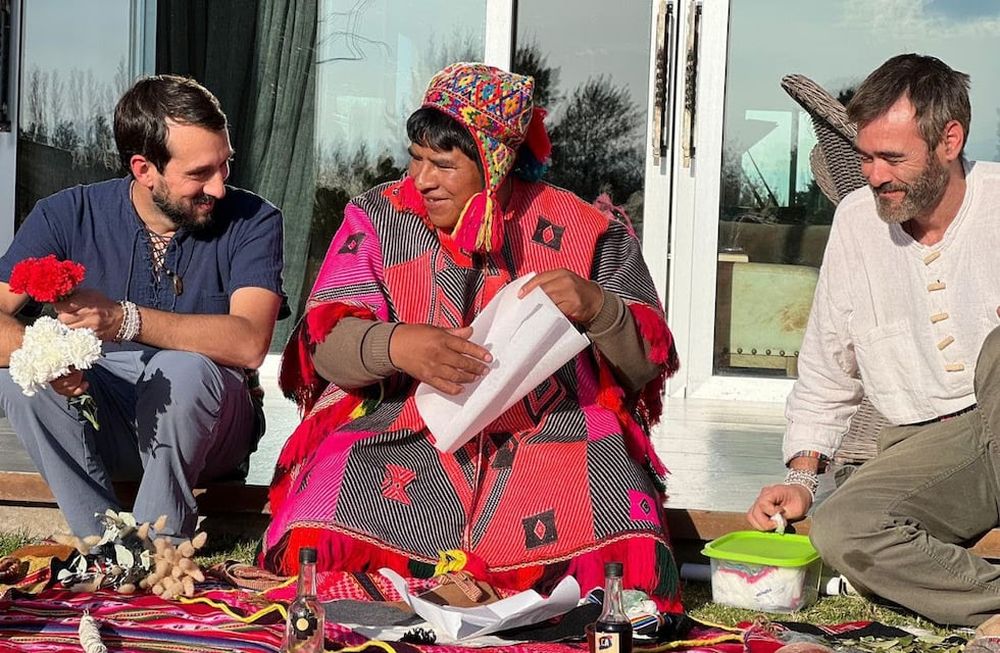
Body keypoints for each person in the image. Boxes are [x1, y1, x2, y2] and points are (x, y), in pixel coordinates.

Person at [264, 62, 682, 610]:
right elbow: (326, 342)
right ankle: (405, 585)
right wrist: (399, 346)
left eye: (443, 164)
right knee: (333, 496)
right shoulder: (376, 217)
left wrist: (598, 307)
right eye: (416, 159)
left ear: (494, 164)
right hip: (407, 422)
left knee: (604, 482)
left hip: (554, 425)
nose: (421, 180)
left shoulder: (587, 229)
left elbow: (644, 366)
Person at [747, 54, 1000, 626]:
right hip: (925, 446)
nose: (875, 174)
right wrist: (801, 480)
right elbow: (828, 362)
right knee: (842, 529)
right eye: (865, 156)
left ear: (949, 141)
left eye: (893, 157)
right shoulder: (858, 222)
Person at [0, 75, 286, 540]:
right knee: (20, 376)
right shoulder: (66, 215)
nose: (218, 187)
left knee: (181, 370)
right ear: (144, 169)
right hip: (104, 416)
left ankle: (161, 547)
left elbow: (252, 342)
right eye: (199, 173)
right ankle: (104, 544)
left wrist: (123, 318)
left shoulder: (254, 220)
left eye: (224, 166)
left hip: (210, 428)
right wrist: (48, 354)